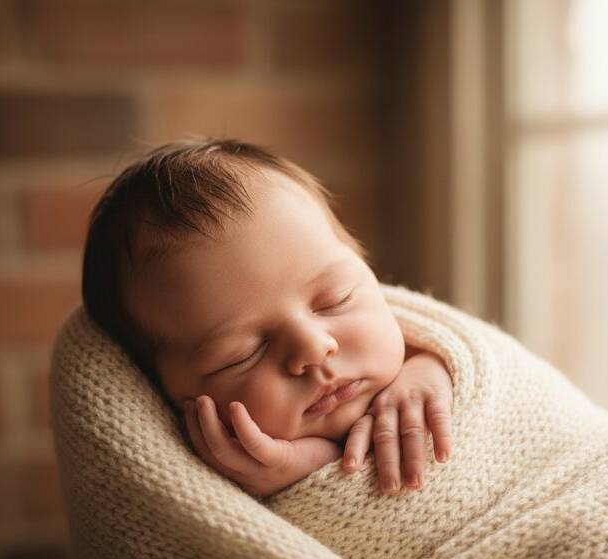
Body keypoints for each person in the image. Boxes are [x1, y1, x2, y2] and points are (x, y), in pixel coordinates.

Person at [81, 137, 455, 497]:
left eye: (334, 300)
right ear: (165, 395)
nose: (312, 348)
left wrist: (430, 368)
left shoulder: (423, 366)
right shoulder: (185, 473)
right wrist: (303, 472)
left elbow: (484, 365)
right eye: (242, 354)